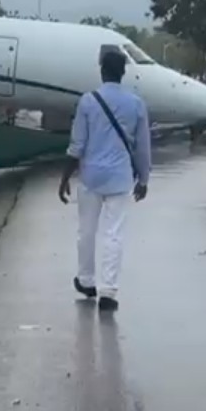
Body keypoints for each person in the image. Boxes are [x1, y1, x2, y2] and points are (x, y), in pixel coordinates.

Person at [58, 49, 152, 312]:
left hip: (90, 177)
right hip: (120, 179)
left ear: (102, 71)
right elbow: (143, 147)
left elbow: (77, 144)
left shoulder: (88, 102)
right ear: (123, 73)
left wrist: (65, 177)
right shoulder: (136, 104)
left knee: (86, 231)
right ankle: (108, 291)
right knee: (114, 234)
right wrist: (143, 179)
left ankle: (86, 280)